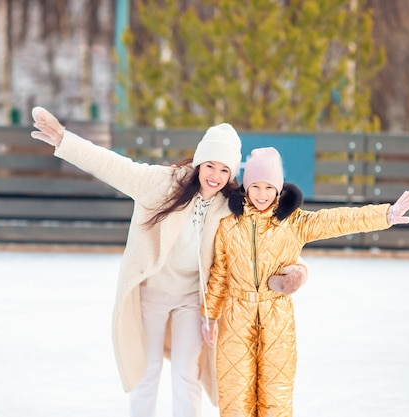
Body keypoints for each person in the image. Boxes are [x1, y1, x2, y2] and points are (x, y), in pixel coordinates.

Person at [30, 107, 308, 417]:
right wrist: (64, 140)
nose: (215, 176)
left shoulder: (231, 208)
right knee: (146, 374)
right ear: (199, 162)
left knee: (186, 376)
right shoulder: (162, 183)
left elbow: (265, 236)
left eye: (224, 170)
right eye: (210, 166)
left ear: (232, 174)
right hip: (153, 294)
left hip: (193, 301)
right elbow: (112, 166)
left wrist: (294, 268)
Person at [201, 147, 409, 417]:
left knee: (275, 397)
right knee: (235, 397)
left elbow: (336, 220)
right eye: (255, 186)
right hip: (234, 318)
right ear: (246, 187)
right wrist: (210, 316)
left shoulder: (294, 222)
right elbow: (220, 274)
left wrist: (385, 215)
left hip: (277, 319)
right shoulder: (229, 224)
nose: (262, 194)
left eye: (269, 187)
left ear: (279, 188)